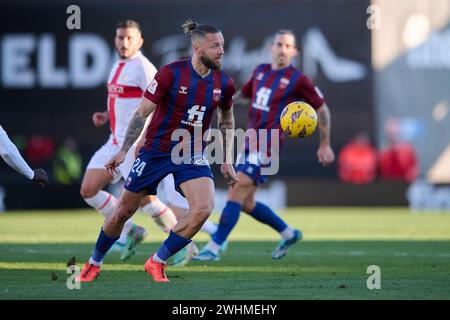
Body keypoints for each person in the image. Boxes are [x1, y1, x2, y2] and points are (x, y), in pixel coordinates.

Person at [77, 19, 238, 283]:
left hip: (191, 153)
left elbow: (228, 120)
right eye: (215, 46)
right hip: (156, 150)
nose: (221, 51)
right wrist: (123, 150)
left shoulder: (225, 83)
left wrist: (227, 160)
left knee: (203, 207)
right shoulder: (170, 73)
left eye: (222, 45)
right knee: (123, 211)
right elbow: (141, 114)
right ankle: (94, 262)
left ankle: (157, 261)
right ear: (197, 48)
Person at [193, 29, 335, 261]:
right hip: (250, 141)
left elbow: (322, 109)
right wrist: (221, 102)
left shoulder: (299, 79)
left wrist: (325, 144)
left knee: (235, 190)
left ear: (294, 51)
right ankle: (288, 233)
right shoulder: (260, 71)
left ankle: (214, 247)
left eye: (287, 46)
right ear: (271, 47)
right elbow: (245, 96)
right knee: (246, 203)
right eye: (279, 44)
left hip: (269, 145)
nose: (282, 49)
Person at [79, 20, 187, 263]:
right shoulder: (117, 64)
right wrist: (106, 115)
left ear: (140, 41)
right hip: (113, 141)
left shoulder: (143, 67)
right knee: (88, 189)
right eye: (120, 37)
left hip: (134, 145)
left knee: (147, 199)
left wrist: (146, 139)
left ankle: (179, 245)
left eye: (129, 38)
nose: (124, 42)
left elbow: (158, 103)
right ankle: (131, 231)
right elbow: (125, 101)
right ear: (115, 39)